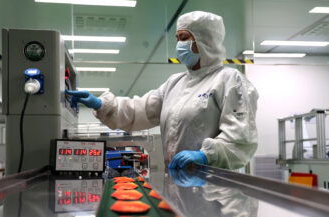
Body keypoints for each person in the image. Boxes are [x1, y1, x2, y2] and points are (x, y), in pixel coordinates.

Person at [66, 11, 258, 170]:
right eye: (177, 39)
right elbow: (139, 110)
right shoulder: (175, 83)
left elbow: (241, 139)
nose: (178, 45)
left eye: (184, 38)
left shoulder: (230, 80)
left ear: (205, 40)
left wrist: (205, 155)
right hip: (177, 179)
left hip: (214, 185)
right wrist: (101, 104)